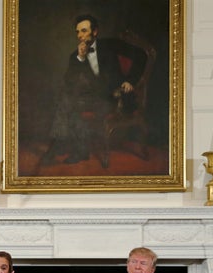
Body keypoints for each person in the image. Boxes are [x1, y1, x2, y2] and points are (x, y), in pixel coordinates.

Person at [43, 14, 145, 164]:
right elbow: (69, 83)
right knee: (67, 101)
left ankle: (60, 148)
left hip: (116, 97)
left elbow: (141, 55)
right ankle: (77, 150)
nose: (80, 36)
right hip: (95, 98)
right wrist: (81, 59)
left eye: (84, 30)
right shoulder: (75, 56)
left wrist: (130, 80)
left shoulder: (111, 44)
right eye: (77, 32)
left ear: (95, 31)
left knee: (69, 104)